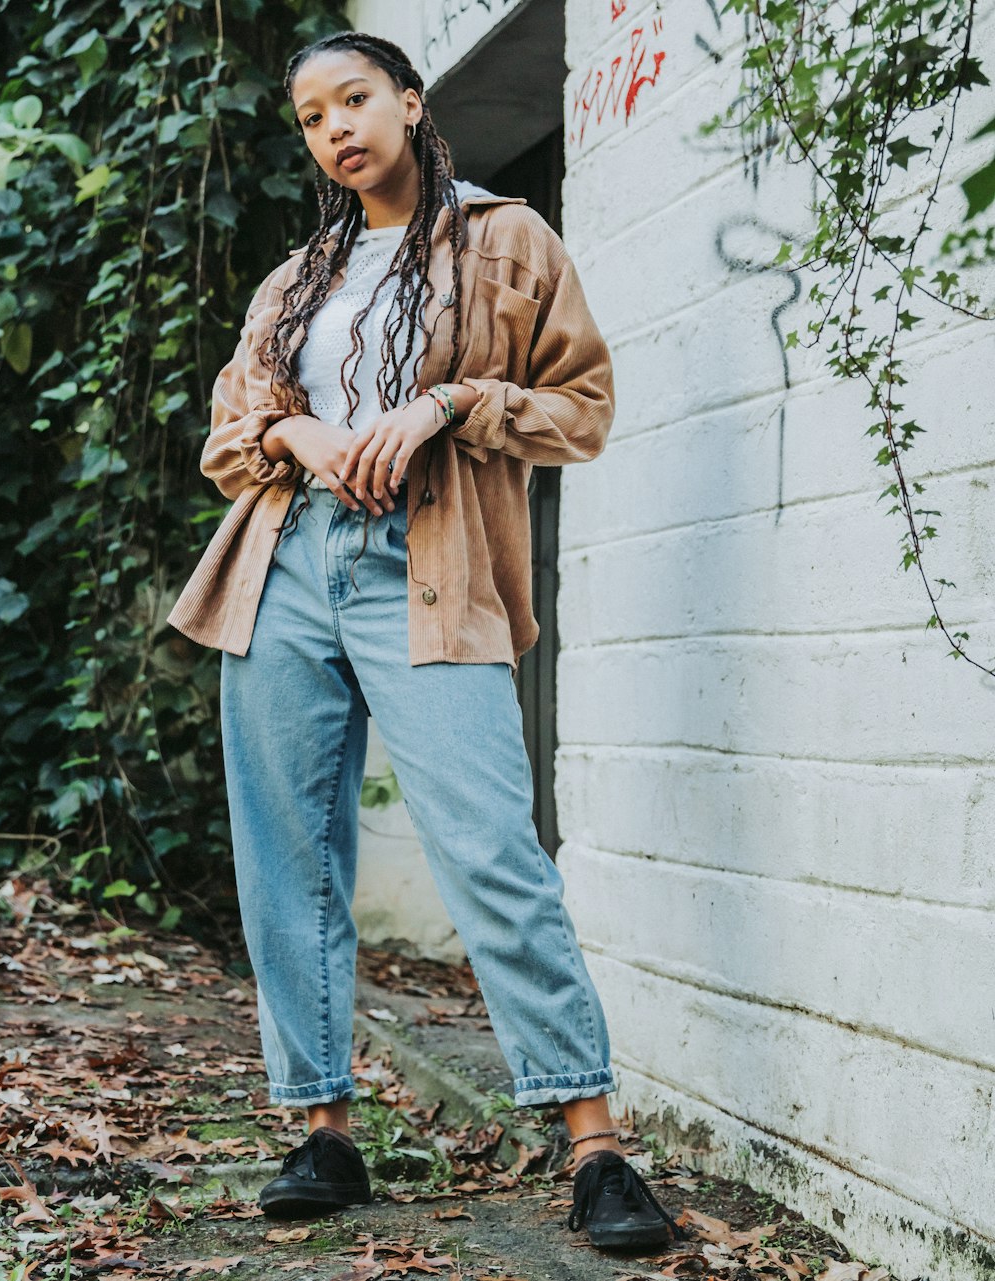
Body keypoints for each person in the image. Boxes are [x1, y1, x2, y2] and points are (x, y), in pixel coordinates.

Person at [167, 30, 686, 1254]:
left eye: (355, 98)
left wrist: (450, 402)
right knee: (288, 856)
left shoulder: (505, 238)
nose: (335, 127)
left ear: (409, 101)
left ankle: (596, 1148)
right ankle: (323, 1130)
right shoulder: (297, 279)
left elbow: (583, 407)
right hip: (283, 568)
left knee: (490, 846)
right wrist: (295, 438)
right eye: (310, 116)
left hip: (430, 563)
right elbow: (231, 430)